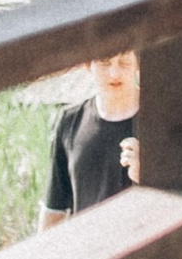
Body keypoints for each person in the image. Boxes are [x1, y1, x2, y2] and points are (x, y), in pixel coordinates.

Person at [41, 46, 138, 225]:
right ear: (87, 64)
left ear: (138, 63)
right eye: (104, 62)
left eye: (124, 62)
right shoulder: (69, 120)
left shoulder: (159, 121)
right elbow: (55, 208)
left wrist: (148, 178)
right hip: (89, 248)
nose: (114, 72)